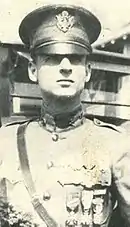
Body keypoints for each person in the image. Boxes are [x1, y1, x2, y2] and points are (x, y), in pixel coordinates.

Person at [0, 3, 130, 227]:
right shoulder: (5, 141)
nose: (66, 66)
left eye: (76, 58)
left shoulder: (116, 145)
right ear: (33, 70)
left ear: (87, 72)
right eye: (52, 57)